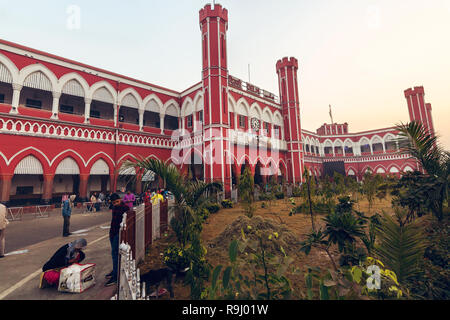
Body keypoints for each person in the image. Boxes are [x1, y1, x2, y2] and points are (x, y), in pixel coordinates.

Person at [105, 193, 129, 287]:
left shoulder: (125, 208)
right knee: (113, 253)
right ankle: (115, 270)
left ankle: (115, 275)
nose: (116, 204)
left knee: (116, 253)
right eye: (114, 202)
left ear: (120, 199)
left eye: (117, 202)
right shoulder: (114, 208)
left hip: (118, 233)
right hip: (113, 232)